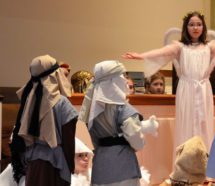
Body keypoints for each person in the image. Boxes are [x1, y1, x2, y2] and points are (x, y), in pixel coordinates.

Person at [123, 11, 215, 152]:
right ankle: (183, 166)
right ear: (186, 27)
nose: (195, 28)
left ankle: (203, 166)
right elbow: (160, 53)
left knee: (203, 125)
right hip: (186, 89)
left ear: (203, 27)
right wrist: (141, 55)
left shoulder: (210, 47)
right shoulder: (179, 47)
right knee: (185, 125)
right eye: (191, 24)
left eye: (199, 24)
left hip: (203, 89)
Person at [78, 60, 158, 186]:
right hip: (123, 166)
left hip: (101, 165)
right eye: (122, 76)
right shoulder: (122, 107)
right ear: (113, 80)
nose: (125, 81)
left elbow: (94, 138)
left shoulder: (93, 109)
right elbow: (134, 135)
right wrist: (139, 144)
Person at [9, 54, 78, 186]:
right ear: (55, 75)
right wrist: (71, 166)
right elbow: (68, 140)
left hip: (32, 163)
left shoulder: (28, 99)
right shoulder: (62, 103)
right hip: (55, 166)